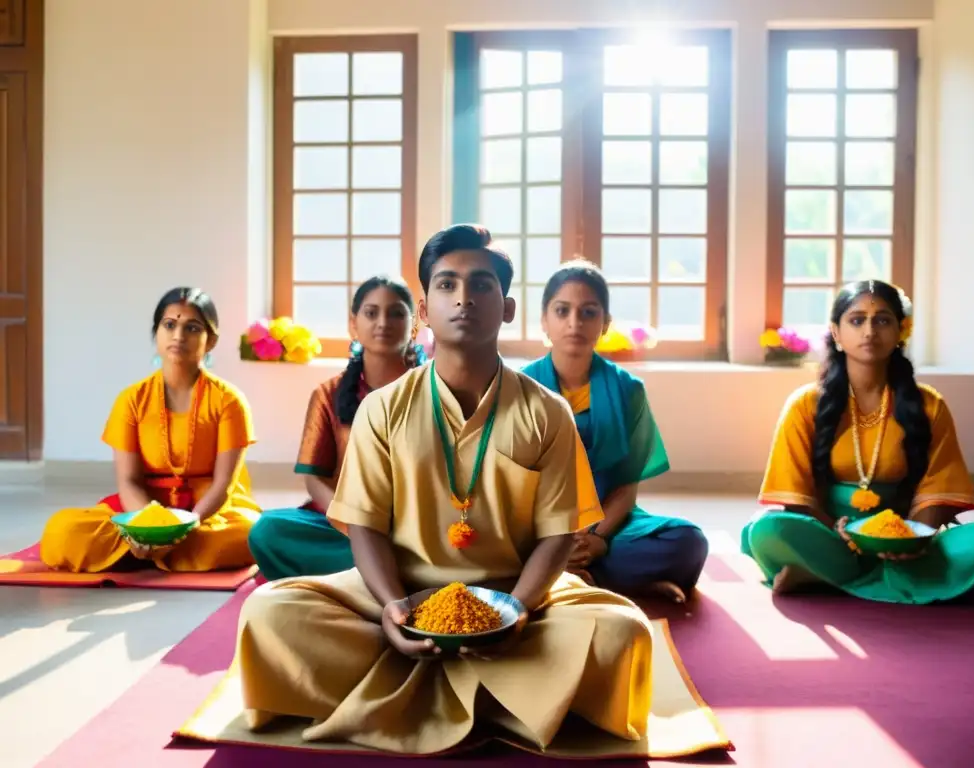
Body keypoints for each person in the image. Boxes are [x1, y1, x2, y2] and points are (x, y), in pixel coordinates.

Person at [235, 225, 654, 755]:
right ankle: (507, 697)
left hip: (517, 596)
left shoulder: (547, 411)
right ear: (426, 311)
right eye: (446, 284)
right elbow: (362, 524)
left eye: (481, 284)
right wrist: (391, 607)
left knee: (623, 632)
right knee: (271, 615)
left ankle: (404, 693)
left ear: (505, 308)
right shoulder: (382, 408)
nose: (464, 297)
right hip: (397, 592)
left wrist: (519, 608)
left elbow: (557, 534)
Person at [742, 280, 974, 603]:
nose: (870, 331)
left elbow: (937, 492)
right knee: (770, 529)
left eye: (883, 320)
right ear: (836, 332)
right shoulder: (805, 405)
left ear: (900, 330)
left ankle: (824, 577)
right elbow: (796, 500)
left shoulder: (929, 405)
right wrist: (843, 534)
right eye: (857, 320)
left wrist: (912, 539)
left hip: (907, 540)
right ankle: (888, 577)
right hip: (832, 535)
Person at [522, 261, 708, 603]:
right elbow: (512, 484)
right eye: (562, 311)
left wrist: (597, 538)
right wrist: (557, 539)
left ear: (605, 323)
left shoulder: (627, 390)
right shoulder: (519, 388)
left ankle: (572, 576)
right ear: (544, 321)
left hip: (608, 524)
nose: (574, 323)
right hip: (535, 528)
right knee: (488, 546)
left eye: (588, 312)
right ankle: (600, 579)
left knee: (688, 541)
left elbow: (626, 484)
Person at [40, 287, 261, 573]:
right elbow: (129, 480)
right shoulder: (132, 399)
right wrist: (148, 527)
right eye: (169, 325)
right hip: (144, 505)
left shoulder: (229, 401)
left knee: (250, 534)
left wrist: (186, 524)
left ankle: (142, 553)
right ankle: (161, 551)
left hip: (207, 512)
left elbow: (224, 485)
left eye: (191, 327)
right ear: (156, 333)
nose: (178, 336)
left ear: (212, 341)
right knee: (62, 532)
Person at [248, 276, 426, 581]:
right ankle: (385, 571)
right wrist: (352, 525)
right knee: (268, 530)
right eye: (371, 313)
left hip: (416, 527)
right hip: (346, 527)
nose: (383, 322)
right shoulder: (328, 395)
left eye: (396, 313)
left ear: (413, 326)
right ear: (353, 324)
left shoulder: (433, 390)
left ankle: (372, 573)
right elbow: (314, 479)